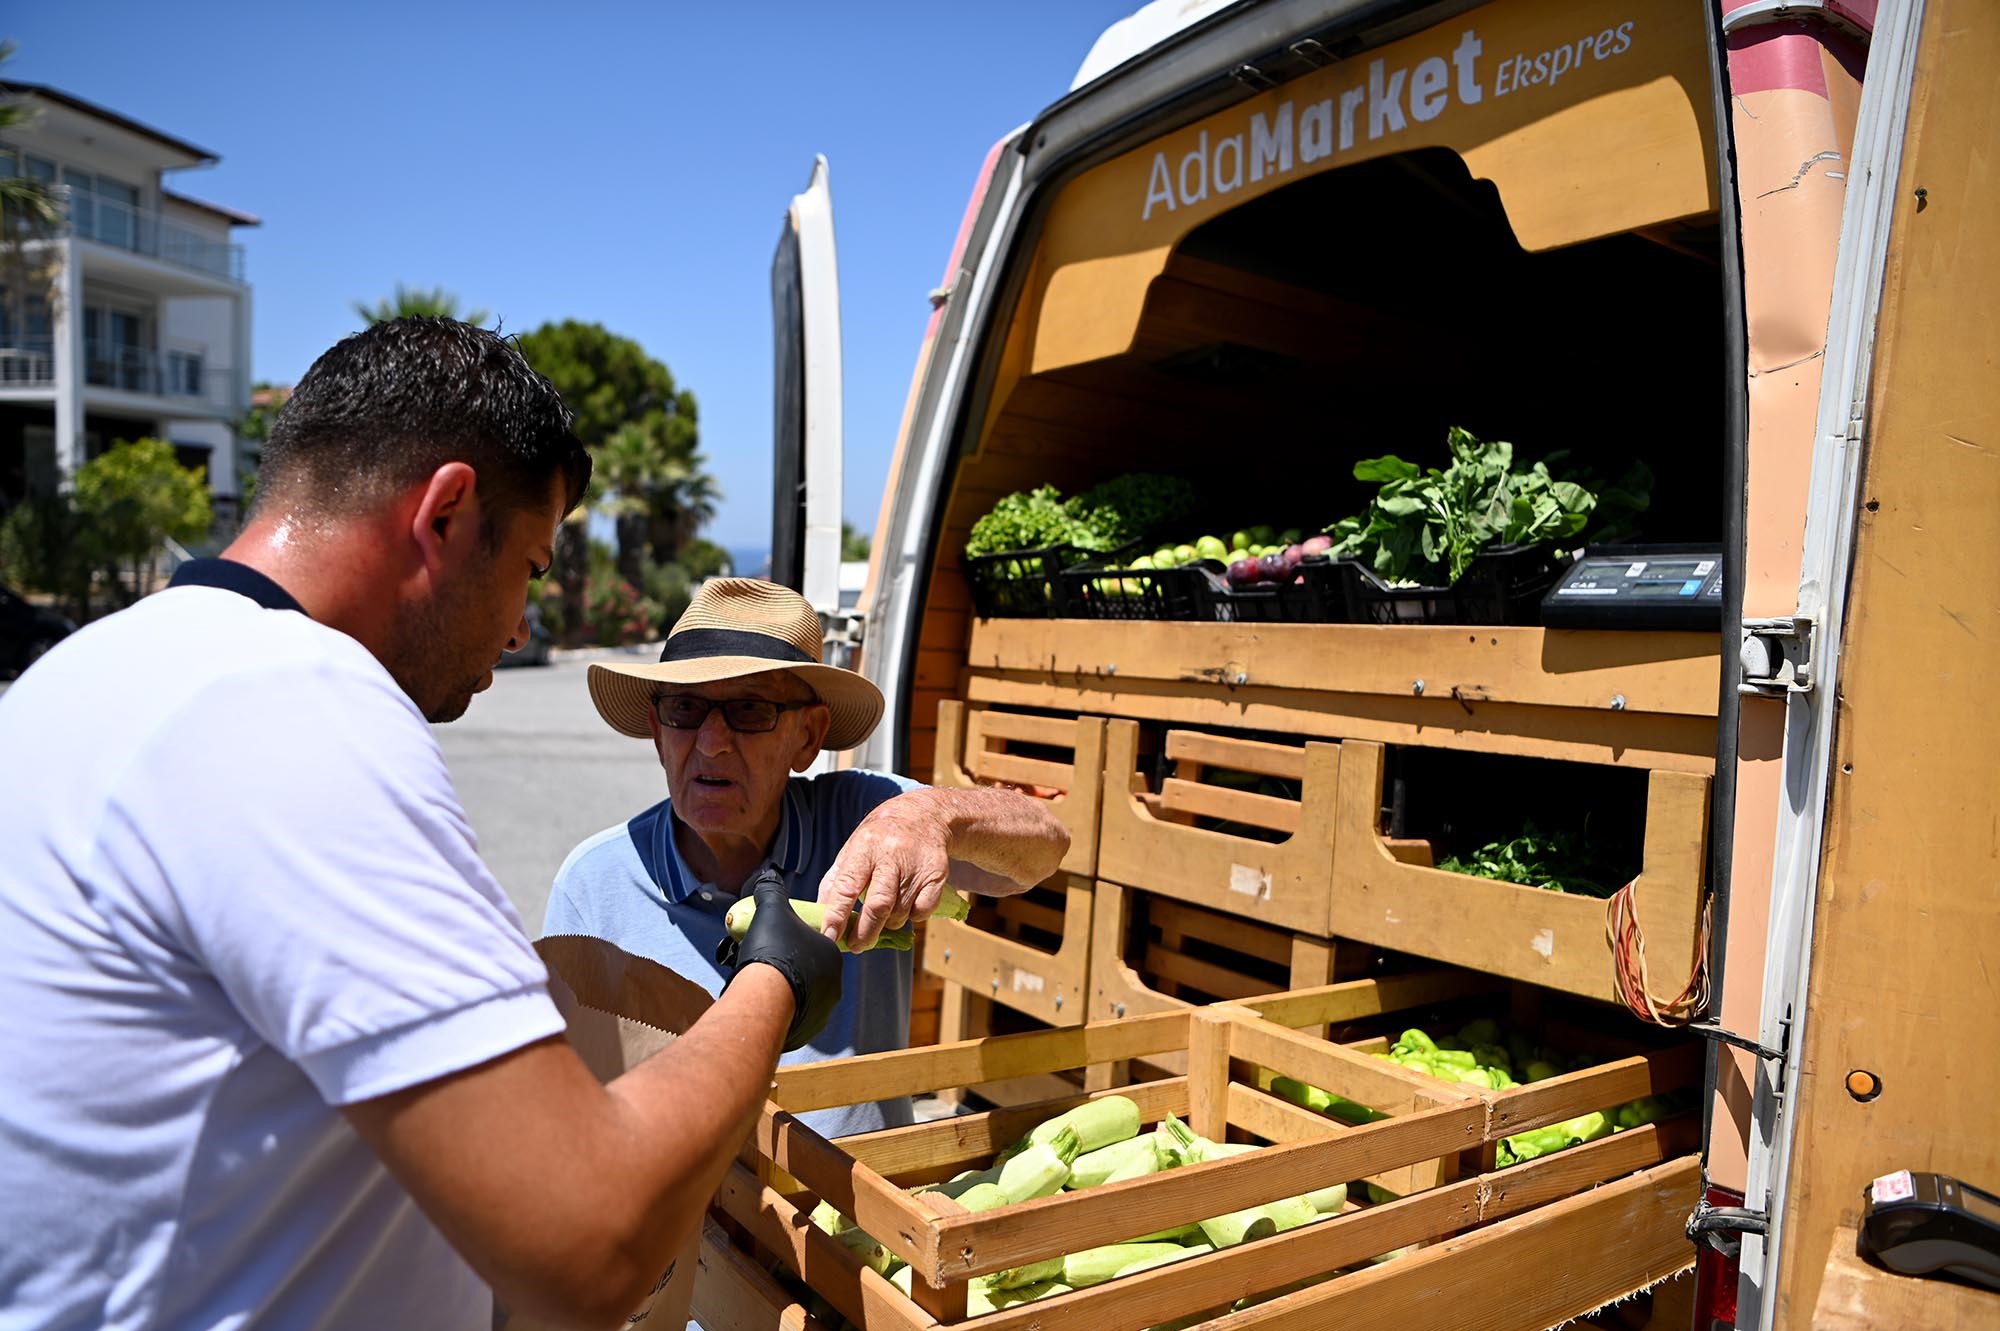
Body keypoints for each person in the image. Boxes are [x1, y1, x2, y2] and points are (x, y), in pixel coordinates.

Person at [0, 318, 845, 1331]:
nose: (523, 625)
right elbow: (589, 1242)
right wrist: (775, 979)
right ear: (444, 514)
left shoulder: (87, 674)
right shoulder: (293, 708)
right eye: (529, 568)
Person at [546, 577, 1071, 1135]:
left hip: (862, 1206)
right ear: (656, 730)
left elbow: (1045, 848)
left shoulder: (869, 818)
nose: (710, 742)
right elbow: (564, 1101)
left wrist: (934, 815)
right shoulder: (593, 884)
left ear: (809, 737)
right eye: (685, 708)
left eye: (749, 709)